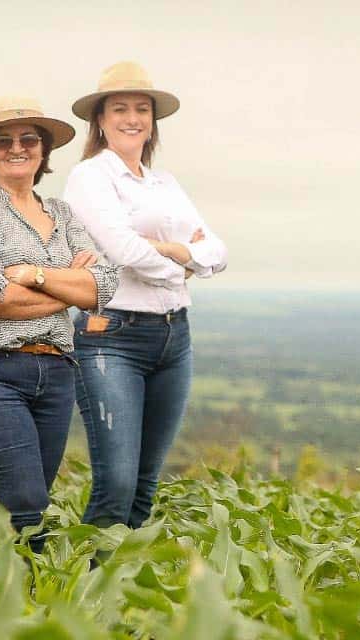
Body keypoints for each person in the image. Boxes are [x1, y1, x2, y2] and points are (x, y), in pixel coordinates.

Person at [0, 95, 120, 551]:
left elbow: (105, 285)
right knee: (27, 505)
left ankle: (4, 602)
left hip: (55, 374)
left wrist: (34, 275)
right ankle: (24, 606)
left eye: (28, 139)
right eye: (3, 141)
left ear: (43, 151)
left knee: (24, 513)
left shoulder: (62, 213)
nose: (17, 148)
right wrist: (67, 289)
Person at [63, 61, 228, 529]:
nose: (132, 117)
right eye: (120, 108)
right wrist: (183, 262)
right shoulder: (91, 178)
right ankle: (82, 589)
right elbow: (121, 249)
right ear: (100, 119)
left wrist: (179, 252)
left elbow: (217, 250)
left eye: (141, 109)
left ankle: (123, 591)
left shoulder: (164, 184)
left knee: (144, 482)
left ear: (152, 121)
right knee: (116, 484)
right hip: (112, 336)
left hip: (174, 337)